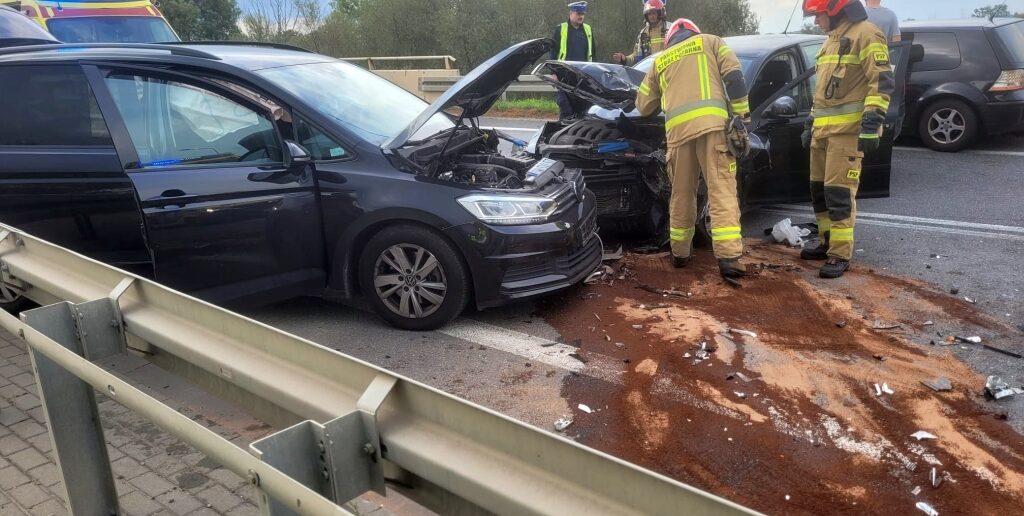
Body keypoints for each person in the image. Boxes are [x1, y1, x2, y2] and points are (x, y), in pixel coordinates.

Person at [635, 18, 751, 278]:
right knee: (721, 191)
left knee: (681, 194)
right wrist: (743, 119)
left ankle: (680, 254)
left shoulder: (660, 60)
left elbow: (643, 106)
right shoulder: (712, 42)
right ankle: (729, 259)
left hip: (678, 136)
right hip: (713, 129)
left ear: (670, 41)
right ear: (694, 32)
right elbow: (735, 78)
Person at [799, 0, 894, 278]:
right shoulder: (831, 40)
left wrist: (871, 123)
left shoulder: (867, 34)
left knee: (839, 193)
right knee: (819, 191)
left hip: (847, 133)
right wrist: (810, 121)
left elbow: (881, 82)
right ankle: (827, 242)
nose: (816, 22)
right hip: (822, 132)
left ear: (834, 9)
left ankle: (839, 254)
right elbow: (824, 91)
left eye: (819, 16)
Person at [551, 1, 596, 121]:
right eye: (578, 13)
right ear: (571, 13)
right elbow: (553, 52)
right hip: (564, 76)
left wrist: (594, 74)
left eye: (583, 14)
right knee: (566, 110)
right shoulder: (560, 29)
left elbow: (593, 53)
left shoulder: (588, 29)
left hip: (584, 77)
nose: (581, 16)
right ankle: (563, 131)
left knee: (584, 110)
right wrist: (553, 73)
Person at [612, 0, 669, 66]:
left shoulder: (670, 28)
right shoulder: (643, 34)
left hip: (668, 68)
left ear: (660, 13)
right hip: (649, 70)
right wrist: (624, 59)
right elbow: (636, 57)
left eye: (654, 13)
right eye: (649, 14)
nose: (651, 16)